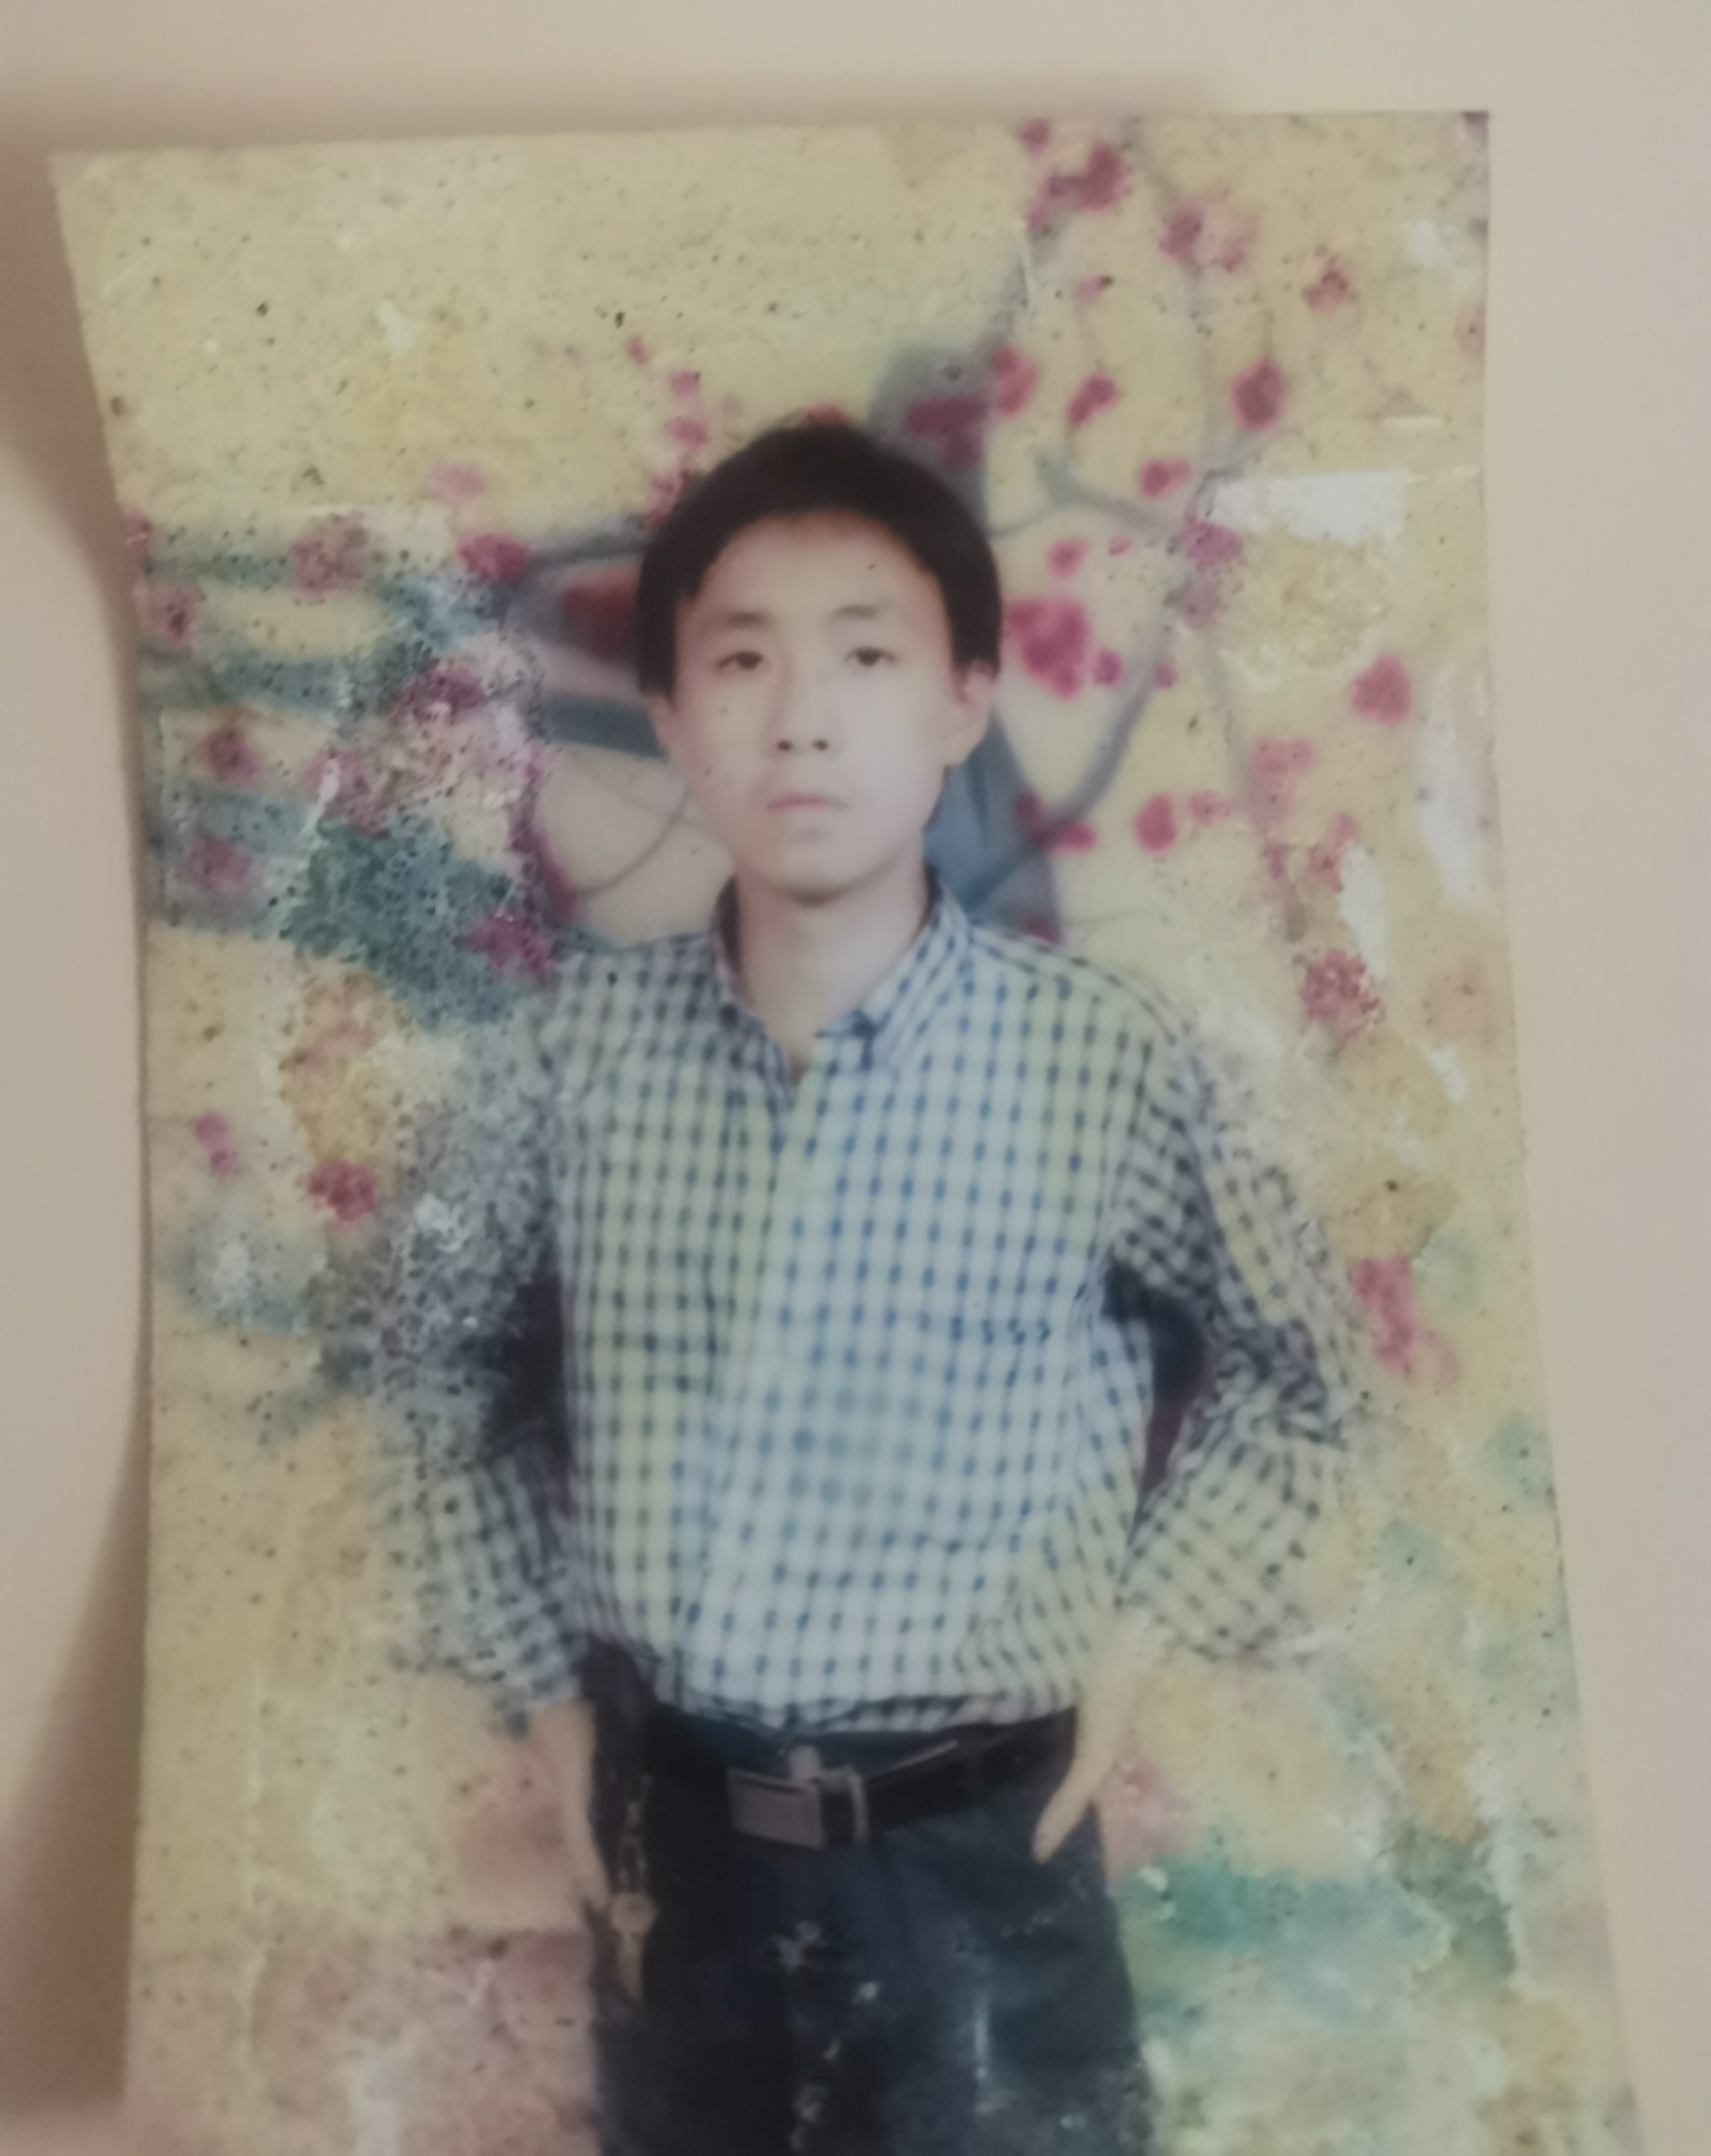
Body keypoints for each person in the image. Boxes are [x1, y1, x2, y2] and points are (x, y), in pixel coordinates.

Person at [367, 422, 1360, 2155]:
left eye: (869, 657)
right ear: (673, 712)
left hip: (988, 1850)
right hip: (682, 1853)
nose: (804, 719)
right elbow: (431, 1364)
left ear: (967, 700)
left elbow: (1301, 1371)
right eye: (743, 660)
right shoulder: (570, 1059)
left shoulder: (1097, 1060)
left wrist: (1140, 1639)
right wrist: (547, 1703)